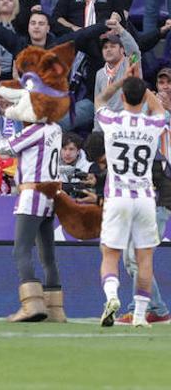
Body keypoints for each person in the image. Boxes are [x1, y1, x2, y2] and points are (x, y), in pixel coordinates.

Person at [0, 80, 64, 322]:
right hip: (50, 195)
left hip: (32, 193)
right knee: (48, 254)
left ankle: (32, 304)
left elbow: (4, 148)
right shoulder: (56, 129)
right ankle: (55, 308)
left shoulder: (35, 130)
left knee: (21, 249)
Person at [97, 76, 166, 328]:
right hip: (145, 197)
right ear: (143, 96)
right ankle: (139, 315)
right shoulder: (153, 124)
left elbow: (100, 100)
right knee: (144, 258)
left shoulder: (111, 121)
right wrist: (143, 87)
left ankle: (112, 297)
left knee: (110, 253)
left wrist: (122, 82)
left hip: (118, 197)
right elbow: (159, 108)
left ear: (123, 97)